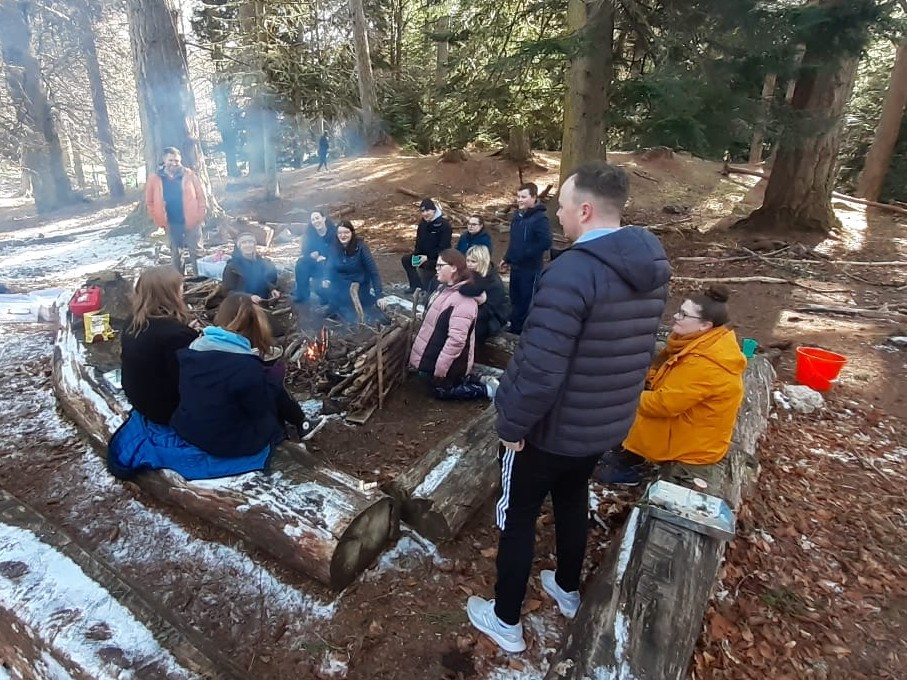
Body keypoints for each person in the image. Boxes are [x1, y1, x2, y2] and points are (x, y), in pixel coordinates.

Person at [466, 162, 671, 653]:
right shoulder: (650, 263)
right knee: (573, 497)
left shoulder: (571, 273)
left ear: (584, 209)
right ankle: (566, 586)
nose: (557, 215)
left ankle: (506, 619)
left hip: (551, 429)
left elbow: (539, 370)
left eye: (561, 206)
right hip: (603, 424)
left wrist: (512, 423)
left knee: (517, 515)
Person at [109, 294, 321, 481]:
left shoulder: (194, 348)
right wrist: (271, 379)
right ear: (255, 328)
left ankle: (302, 423)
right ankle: (300, 424)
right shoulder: (245, 367)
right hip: (225, 444)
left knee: (264, 387)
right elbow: (258, 411)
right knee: (272, 401)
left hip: (187, 429)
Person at [597, 286, 746, 485]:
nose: (676, 316)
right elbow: (662, 376)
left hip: (695, 444)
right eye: (679, 310)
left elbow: (663, 405)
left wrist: (621, 394)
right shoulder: (699, 342)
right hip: (685, 422)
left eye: (684, 315)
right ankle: (627, 451)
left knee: (629, 406)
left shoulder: (705, 364)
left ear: (704, 325)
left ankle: (628, 469)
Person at [408, 249, 497, 400]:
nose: (436, 269)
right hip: (436, 353)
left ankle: (487, 390)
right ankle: (474, 379)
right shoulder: (444, 287)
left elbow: (456, 341)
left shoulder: (464, 301)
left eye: (440, 266)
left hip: (452, 363)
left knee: (440, 391)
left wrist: (441, 368)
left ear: (454, 268)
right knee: (427, 383)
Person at [120, 267, 198, 425]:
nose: (183, 291)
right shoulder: (177, 335)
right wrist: (197, 342)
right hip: (166, 410)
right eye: (180, 287)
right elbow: (189, 380)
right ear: (169, 292)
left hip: (137, 397)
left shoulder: (134, 321)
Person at [145, 146, 207, 276]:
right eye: (171, 160)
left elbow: (201, 196)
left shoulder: (189, 175)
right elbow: (150, 202)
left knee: (197, 252)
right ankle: (179, 281)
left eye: (177, 160)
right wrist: (157, 219)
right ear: (164, 160)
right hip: (171, 223)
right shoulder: (155, 178)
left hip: (192, 221)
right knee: (176, 255)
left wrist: (199, 215)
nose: (174, 163)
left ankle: (201, 278)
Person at [499, 183, 552, 334]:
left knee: (526, 301)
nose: (520, 200)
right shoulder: (517, 217)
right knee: (514, 299)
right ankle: (513, 328)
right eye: (518, 196)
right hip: (516, 266)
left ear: (534, 197)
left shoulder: (540, 218)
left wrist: (524, 254)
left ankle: (522, 332)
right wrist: (507, 258)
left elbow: (545, 242)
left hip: (531, 269)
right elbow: (514, 241)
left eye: (524, 197)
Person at [322, 221, 385, 322]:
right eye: (340, 233)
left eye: (346, 232)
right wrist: (326, 278)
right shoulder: (334, 247)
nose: (343, 236)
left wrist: (379, 295)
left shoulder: (361, 247)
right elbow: (329, 265)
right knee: (323, 290)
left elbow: (373, 272)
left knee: (349, 305)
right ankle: (336, 308)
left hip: (359, 285)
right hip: (341, 284)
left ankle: (367, 309)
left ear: (352, 233)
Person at [401, 198, 452, 294]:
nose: (425, 213)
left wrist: (428, 257)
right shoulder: (423, 224)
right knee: (407, 260)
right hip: (423, 256)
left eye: (427, 210)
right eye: (423, 211)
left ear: (434, 210)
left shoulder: (444, 225)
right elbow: (419, 242)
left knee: (428, 266)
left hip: (438, 258)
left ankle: (428, 289)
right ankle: (416, 286)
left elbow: (444, 248)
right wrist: (417, 255)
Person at [460, 245, 509, 344]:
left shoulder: (494, 283)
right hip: (471, 312)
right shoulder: (468, 276)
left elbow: (489, 310)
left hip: (491, 320)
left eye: (473, 262)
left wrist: (466, 315)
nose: (469, 264)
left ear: (482, 262)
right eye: (468, 260)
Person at [222, 232, 280, 303]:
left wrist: (272, 289)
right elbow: (228, 292)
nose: (248, 245)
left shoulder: (261, 263)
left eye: (250, 242)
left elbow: (265, 281)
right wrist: (249, 297)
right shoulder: (232, 267)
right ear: (239, 246)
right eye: (244, 243)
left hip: (261, 302)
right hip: (240, 304)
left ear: (254, 245)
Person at [294, 210, 337, 304]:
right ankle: (302, 295)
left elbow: (337, 252)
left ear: (324, 218)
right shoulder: (310, 234)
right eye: (313, 220)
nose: (315, 221)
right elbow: (304, 251)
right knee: (300, 264)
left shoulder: (334, 233)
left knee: (320, 287)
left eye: (317, 218)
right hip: (314, 263)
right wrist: (310, 255)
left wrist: (325, 257)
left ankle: (327, 296)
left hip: (330, 266)